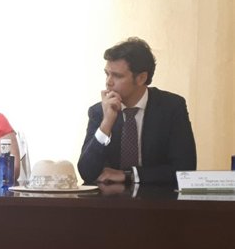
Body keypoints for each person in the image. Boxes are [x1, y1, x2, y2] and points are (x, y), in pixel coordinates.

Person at [78, 37, 196, 185]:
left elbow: (185, 170)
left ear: (141, 78)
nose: (108, 82)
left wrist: (129, 175)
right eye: (107, 74)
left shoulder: (171, 107)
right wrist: (106, 123)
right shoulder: (99, 111)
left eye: (117, 76)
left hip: (157, 196)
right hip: (110, 197)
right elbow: (87, 173)